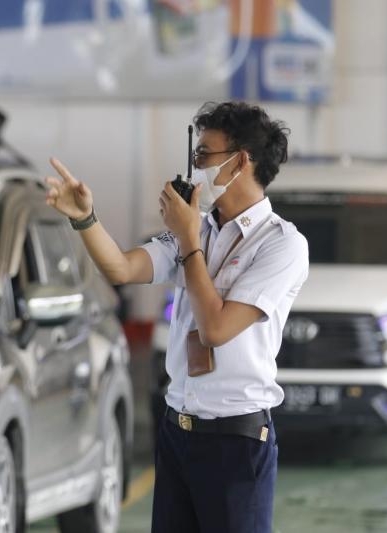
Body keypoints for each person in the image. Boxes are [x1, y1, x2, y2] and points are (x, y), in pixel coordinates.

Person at [45, 101, 309, 533]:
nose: (196, 165)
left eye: (204, 154)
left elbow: (217, 328)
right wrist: (85, 220)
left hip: (236, 439)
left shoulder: (280, 244)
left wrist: (189, 241)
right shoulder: (198, 226)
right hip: (177, 431)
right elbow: (121, 268)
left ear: (241, 162)